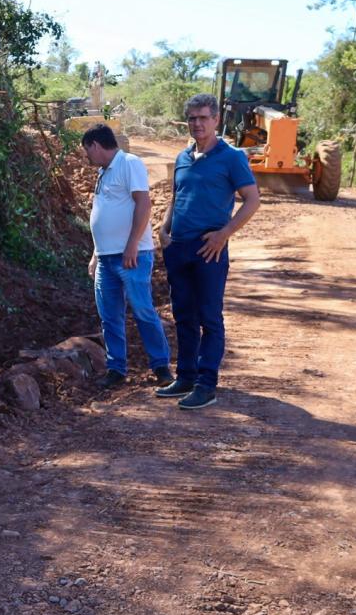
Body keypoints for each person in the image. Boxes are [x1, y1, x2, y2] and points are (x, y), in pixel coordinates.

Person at [157, 93, 260, 410]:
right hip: (179, 247)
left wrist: (224, 234)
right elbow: (177, 197)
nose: (197, 123)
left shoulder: (231, 157)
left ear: (216, 120)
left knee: (209, 318)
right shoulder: (182, 157)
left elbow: (252, 200)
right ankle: (186, 376)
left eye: (203, 117)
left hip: (209, 249)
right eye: (192, 118)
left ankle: (206, 384)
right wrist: (163, 229)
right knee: (183, 316)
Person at [82, 124, 172, 390]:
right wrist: (95, 254)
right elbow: (103, 216)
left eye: (87, 150)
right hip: (106, 259)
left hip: (131, 256)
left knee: (143, 310)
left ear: (96, 145)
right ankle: (116, 369)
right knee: (109, 316)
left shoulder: (129, 163)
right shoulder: (103, 173)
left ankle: (161, 367)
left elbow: (144, 204)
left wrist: (132, 244)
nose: (87, 157)